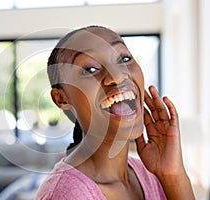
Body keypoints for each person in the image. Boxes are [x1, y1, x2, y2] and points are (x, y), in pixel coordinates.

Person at [36, 25, 195, 200]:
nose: (118, 76)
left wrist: (173, 174)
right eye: (90, 69)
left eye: (124, 58)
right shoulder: (68, 194)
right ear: (62, 98)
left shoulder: (150, 173)